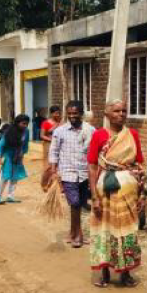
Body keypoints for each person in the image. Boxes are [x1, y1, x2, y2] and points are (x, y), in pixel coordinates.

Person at [88, 100, 145, 288]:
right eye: (116, 111)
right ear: (107, 114)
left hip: (128, 188)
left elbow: (139, 164)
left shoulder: (132, 135)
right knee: (105, 228)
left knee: (127, 229)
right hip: (105, 187)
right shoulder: (99, 135)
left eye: (124, 111)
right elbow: (92, 166)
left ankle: (126, 273)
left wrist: (142, 194)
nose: (121, 114)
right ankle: (104, 272)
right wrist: (94, 197)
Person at [49, 101, 95, 248]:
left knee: (80, 204)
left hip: (84, 172)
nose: (72, 116)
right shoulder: (60, 131)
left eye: (75, 113)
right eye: (69, 113)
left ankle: (73, 231)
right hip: (67, 173)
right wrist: (53, 171)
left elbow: (94, 152)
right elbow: (54, 151)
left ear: (81, 114)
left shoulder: (90, 130)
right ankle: (77, 235)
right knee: (74, 203)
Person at [0, 114, 30, 205]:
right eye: (23, 123)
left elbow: (25, 144)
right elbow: (0, 146)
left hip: (18, 156)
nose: (25, 126)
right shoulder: (9, 131)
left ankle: (10, 196)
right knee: (5, 176)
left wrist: (23, 153)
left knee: (15, 176)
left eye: (26, 124)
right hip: (8, 156)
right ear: (17, 123)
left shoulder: (26, 131)